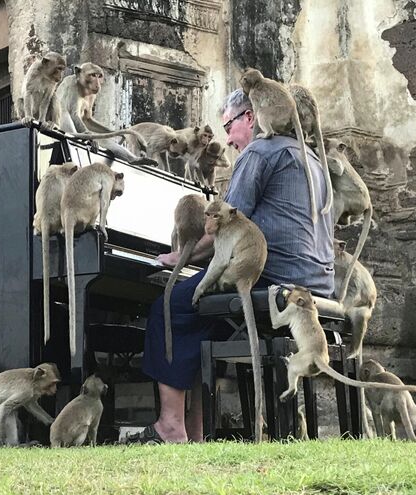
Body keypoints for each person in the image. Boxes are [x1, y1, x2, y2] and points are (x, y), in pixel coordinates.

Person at [130, 89, 334, 444]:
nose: (227, 138)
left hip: (273, 279)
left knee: (170, 305)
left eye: (229, 125)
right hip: (316, 283)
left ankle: (170, 426)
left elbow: (223, 226)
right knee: (203, 316)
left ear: (250, 118)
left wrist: (179, 256)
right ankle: (195, 429)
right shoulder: (313, 160)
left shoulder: (261, 151)